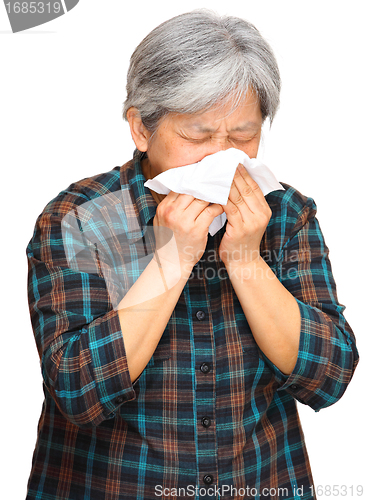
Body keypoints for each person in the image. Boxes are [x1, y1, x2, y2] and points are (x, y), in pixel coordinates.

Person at [25, 10, 359, 500]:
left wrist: (246, 260)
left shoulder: (286, 215)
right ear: (141, 129)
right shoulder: (79, 219)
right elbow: (78, 392)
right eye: (198, 137)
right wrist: (172, 261)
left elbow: (328, 377)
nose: (221, 158)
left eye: (243, 136)